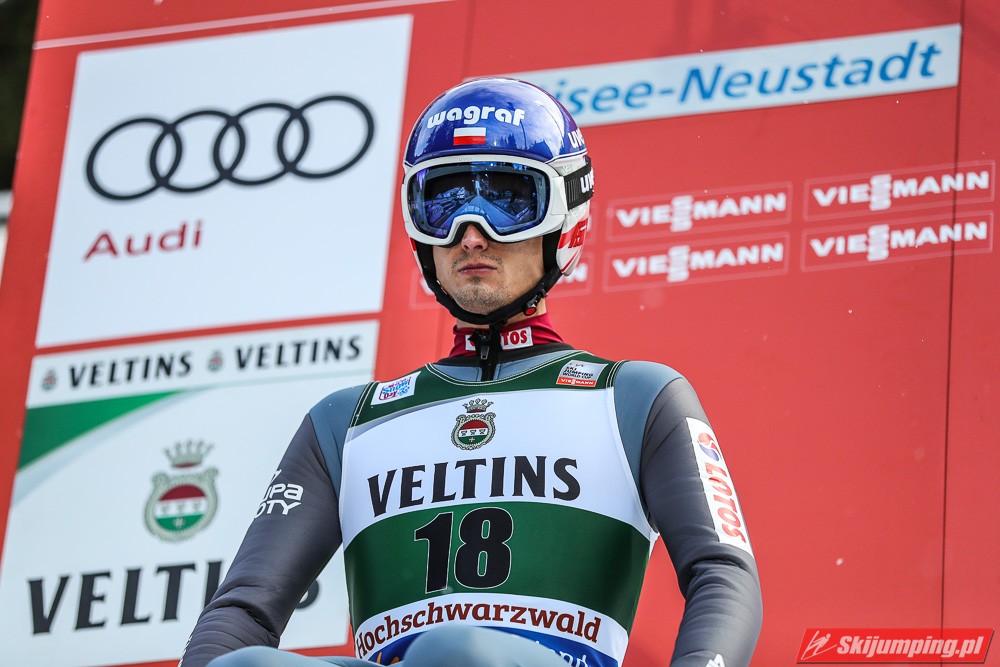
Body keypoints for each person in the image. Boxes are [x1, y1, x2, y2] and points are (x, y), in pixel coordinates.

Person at [179, 77, 762, 667]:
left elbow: (723, 573)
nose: (472, 233)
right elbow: (242, 612)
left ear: (565, 216)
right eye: (445, 202)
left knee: (454, 647)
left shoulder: (636, 397)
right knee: (242, 666)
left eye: (508, 198)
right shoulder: (345, 421)